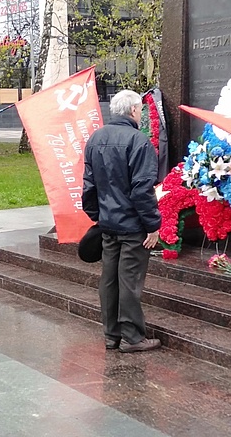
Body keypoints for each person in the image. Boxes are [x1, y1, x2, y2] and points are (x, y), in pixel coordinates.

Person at [82, 90, 162, 353]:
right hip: (132, 226)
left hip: (108, 223)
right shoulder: (138, 141)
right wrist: (152, 225)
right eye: (140, 109)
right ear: (134, 111)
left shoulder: (96, 138)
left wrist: (97, 215)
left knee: (109, 279)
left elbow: (89, 186)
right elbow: (142, 189)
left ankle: (111, 335)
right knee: (129, 281)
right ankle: (132, 337)